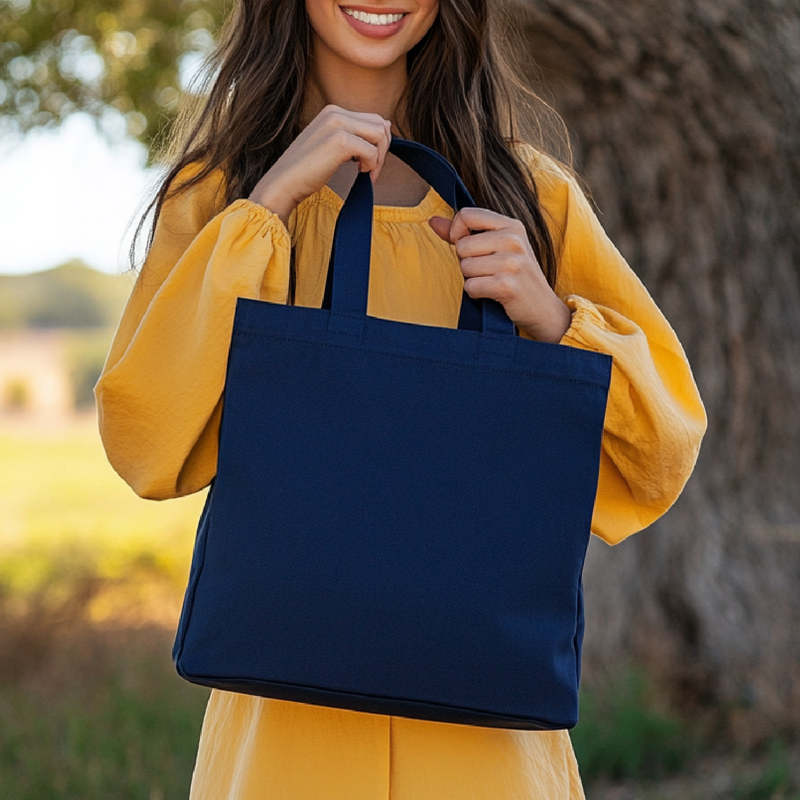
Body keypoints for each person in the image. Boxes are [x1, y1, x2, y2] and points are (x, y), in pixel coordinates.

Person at [95, 0, 706, 795]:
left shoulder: (529, 199)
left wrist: (553, 320)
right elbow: (146, 444)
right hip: (284, 745)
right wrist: (267, 209)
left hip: (487, 756)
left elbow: (660, 454)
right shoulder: (223, 196)